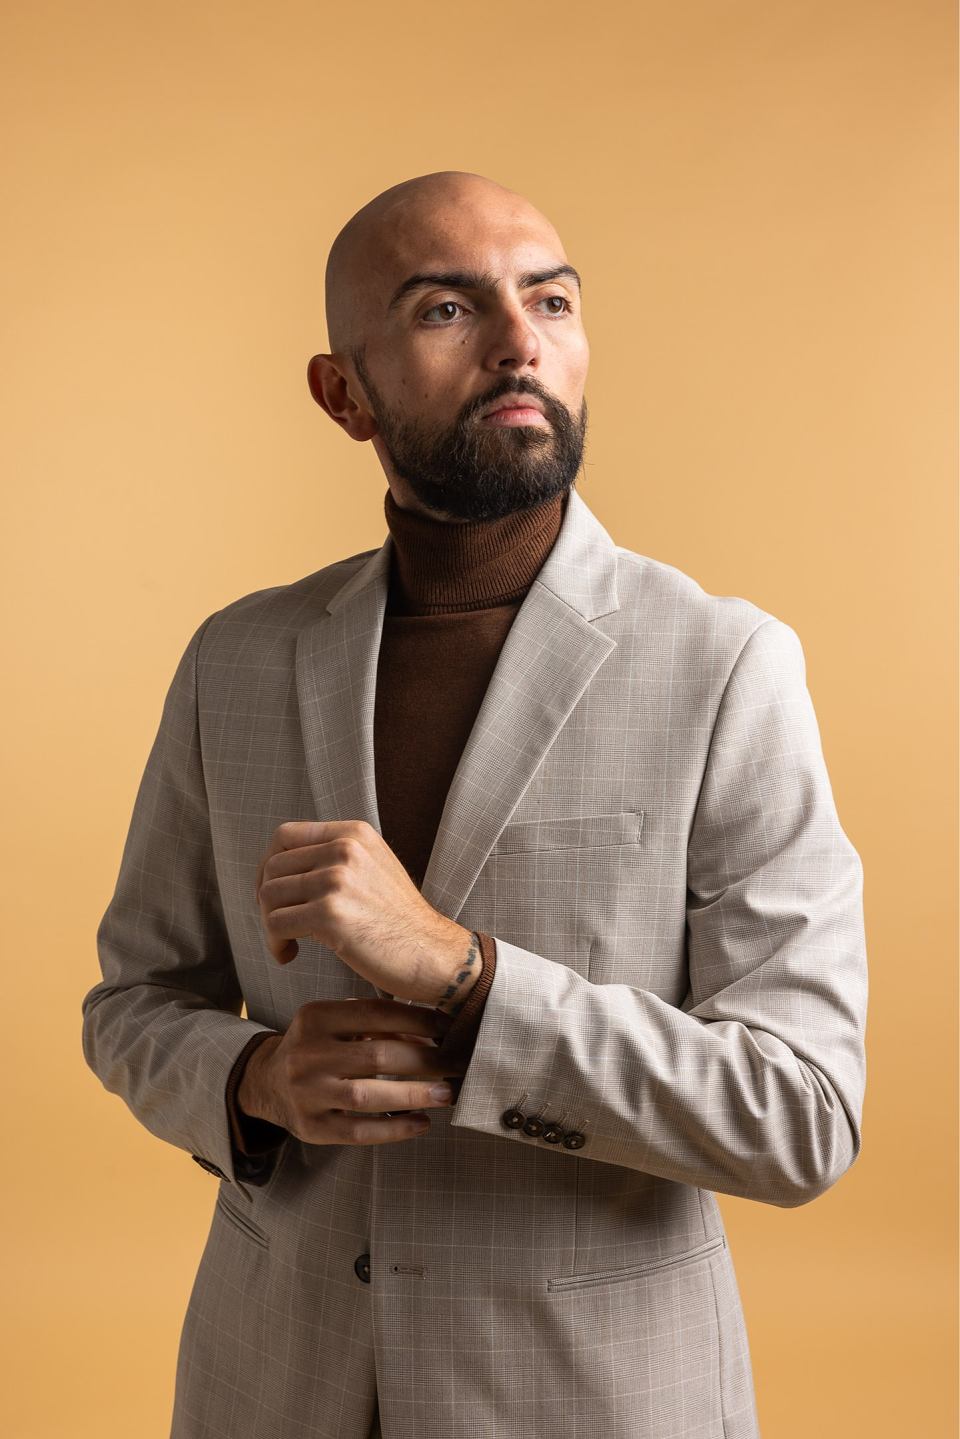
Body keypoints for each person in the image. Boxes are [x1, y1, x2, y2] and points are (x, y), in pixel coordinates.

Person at [82, 170, 868, 1439]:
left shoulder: (726, 667)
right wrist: (255, 1078)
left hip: (593, 1397)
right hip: (268, 1381)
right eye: (447, 308)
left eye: (550, 300)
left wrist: (466, 974)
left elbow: (800, 1115)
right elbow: (131, 1002)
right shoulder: (235, 658)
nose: (520, 342)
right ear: (345, 393)